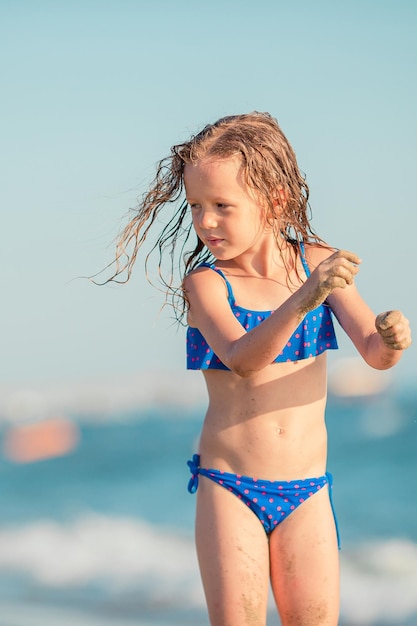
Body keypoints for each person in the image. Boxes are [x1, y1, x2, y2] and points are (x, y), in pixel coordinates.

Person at [107, 112, 411, 626]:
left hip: (307, 490)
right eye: (197, 206)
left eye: (222, 206)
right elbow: (243, 360)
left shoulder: (316, 262)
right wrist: (305, 296)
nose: (205, 222)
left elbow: (374, 355)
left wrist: (392, 339)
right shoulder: (207, 286)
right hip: (231, 489)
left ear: (275, 200)